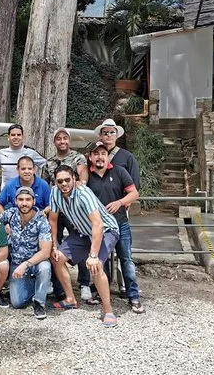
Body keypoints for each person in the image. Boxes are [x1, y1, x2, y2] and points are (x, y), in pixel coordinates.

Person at [49, 164, 120, 327]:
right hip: (83, 232)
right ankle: (70, 299)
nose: (64, 184)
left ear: (74, 178)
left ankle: (108, 311)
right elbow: (52, 220)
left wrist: (93, 255)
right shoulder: (54, 193)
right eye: (60, 181)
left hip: (106, 230)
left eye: (67, 180)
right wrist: (54, 246)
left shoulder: (83, 193)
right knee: (57, 258)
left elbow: (98, 224)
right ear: (55, 182)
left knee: (96, 266)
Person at [86, 141, 144, 314]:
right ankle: (102, 293)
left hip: (120, 223)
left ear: (107, 156)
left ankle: (133, 295)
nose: (100, 157)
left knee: (126, 259)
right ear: (90, 157)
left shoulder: (119, 171)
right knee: (101, 260)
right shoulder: (86, 177)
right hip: (100, 227)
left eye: (103, 153)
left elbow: (134, 193)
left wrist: (120, 202)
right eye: (96, 154)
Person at [43, 128, 92, 303]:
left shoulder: (78, 157)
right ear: (54, 141)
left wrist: (81, 184)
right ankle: (58, 286)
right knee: (54, 243)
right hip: (56, 208)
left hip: (74, 209)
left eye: (65, 138)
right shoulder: (49, 162)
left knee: (81, 242)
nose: (62, 141)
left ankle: (84, 283)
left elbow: (83, 175)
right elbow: (46, 185)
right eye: (58, 138)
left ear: (69, 140)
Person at [0, 186, 52, 320]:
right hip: (17, 263)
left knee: (45, 267)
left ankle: (39, 303)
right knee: (17, 303)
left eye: (28, 199)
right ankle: (39, 285)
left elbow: (46, 252)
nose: (24, 203)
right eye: (21, 199)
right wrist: (3, 226)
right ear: (15, 201)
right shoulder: (10, 214)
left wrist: (26, 264)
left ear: (34, 201)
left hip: (35, 262)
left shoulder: (41, 220)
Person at [0, 124, 47, 190]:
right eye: (13, 135)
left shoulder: (31, 153)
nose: (16, 137)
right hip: (7, 193)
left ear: (23, 137)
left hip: (27, 194)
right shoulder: (1, 153)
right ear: (8, 137)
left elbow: (48, 165)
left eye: (19, 135)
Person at [94, 119, 140, 188]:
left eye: (112, 132)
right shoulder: (94, 156)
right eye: (105, 133)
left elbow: (135, 182)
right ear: (100, 135)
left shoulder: (127, 156)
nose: (109, 135)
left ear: (117, 135)